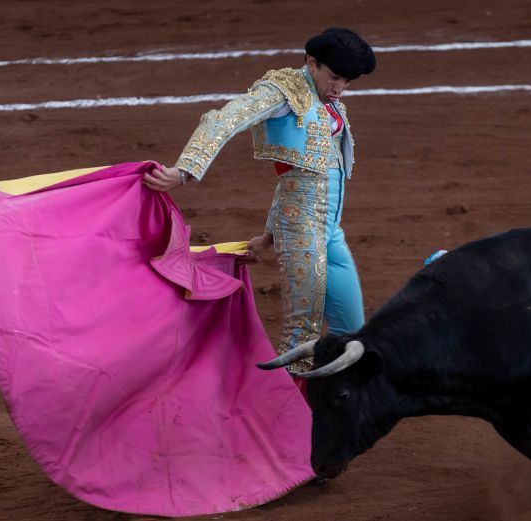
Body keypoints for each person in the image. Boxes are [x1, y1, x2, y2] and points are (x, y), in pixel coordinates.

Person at [144, 27, 376, 372]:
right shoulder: (280, 92)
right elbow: (223, 120)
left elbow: (296, 178)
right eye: (334, 77)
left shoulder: (327, 103)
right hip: (302, 233)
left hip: (330, 231)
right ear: (311, 62)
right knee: (303, 332)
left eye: (347, 82)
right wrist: (185, 170)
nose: (339, 88)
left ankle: (340, 399)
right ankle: (291, 403)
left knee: (352, 332)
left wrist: (269, 233)